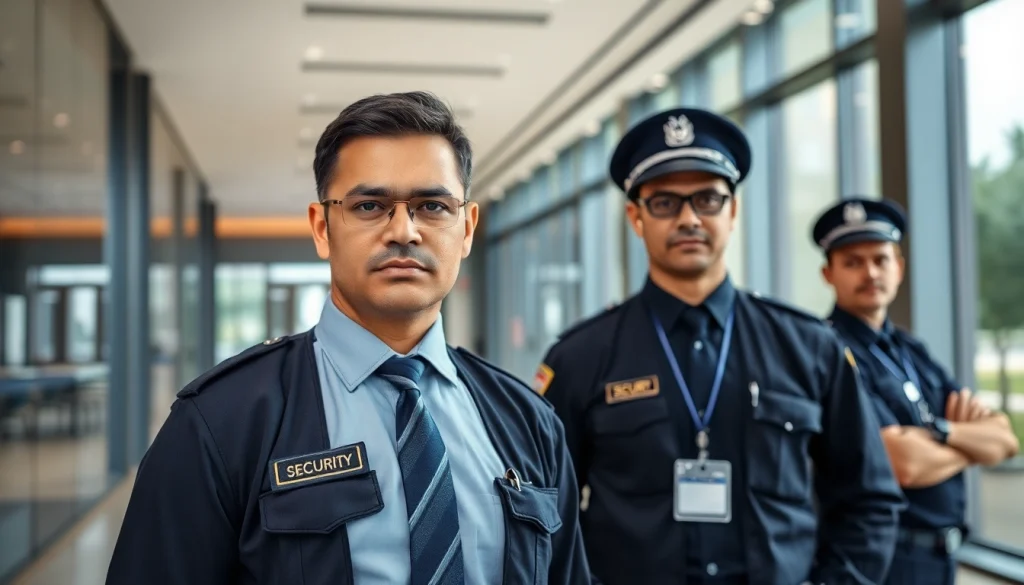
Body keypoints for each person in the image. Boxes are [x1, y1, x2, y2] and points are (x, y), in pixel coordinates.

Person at [106, 92, 590, 585]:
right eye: (369, 205)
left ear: (466, 229)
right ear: (322, 228)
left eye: (432, 205)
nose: (404, 230)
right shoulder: (220, 423)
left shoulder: (528, 421)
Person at [534, 107, 905, 585]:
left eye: (708, 199)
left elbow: (869, 499)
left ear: (733, 211)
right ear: (636, 217)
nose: (689, 218)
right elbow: (546, 512)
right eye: (665, 202)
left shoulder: (809, 347)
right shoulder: (580, 356)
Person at [813, 197, 1020, 585]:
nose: (870, 272)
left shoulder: (912, 351)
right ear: (828, 274)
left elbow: (1005, 440)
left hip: (941, 559)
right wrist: (967, 446)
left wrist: (939, 435)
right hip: (881, 560)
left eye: (880, 259)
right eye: (853, 262)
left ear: (900, 267)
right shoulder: (828, 351)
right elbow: (901, 463)